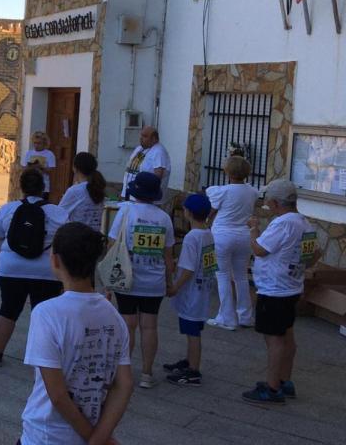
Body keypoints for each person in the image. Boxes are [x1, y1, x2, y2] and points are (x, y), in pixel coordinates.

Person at [19, 222, 133, 445]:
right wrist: (100, 438)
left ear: (55, 260)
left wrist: (94, 439)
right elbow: (124, 384)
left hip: (45, 435)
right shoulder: (114, 317)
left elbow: (58, 395)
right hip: (90, 431)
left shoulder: (47, 313)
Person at [241, 179, 314, 404]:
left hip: (275, 289)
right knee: (286, 335)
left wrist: (253, 230)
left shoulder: (283, 223)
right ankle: (284, 380)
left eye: (268, 201)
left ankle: (272, 388)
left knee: (274, 339)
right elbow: (314, 254)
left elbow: (260, 249)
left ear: (275, 202)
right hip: (291, 286)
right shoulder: (305, 223)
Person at [0, 169, 68, 368]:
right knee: (43, 313)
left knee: (8, 310)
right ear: (43, 188)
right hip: (46, 271)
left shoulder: (8, 208)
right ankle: (43, 357)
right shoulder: (58, 212)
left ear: (21, 187)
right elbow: (66, 240)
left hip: (11, 269)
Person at [107, 172, 174, 389]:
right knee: (150, 326)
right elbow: (168, 255)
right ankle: (146, 373)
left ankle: (123, 372)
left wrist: (109, 282)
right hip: (154, 281)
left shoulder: (126, 210)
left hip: (127, 277)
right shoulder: (164, 217)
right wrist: (169, 281)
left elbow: (112, 244)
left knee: (128, 325)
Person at [164, 194, 215, 387]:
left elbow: (189, 268)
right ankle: (189, 360)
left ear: (189, 213)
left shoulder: (192, 237)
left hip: (192, 291)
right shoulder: (208, 233)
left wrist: (175, 287)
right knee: (192, 329)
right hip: (202, 290)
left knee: (192, 331)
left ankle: (193, 370)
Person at [205, 156, 260, 330]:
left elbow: (211, 211)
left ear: (227, 171)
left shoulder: (221, 191)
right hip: (244, 235)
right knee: (241, 276)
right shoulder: (252, 191)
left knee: (222, 276)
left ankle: (227, 317)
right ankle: (245, 316)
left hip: (222, 234)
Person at [58, 152, 107, 230]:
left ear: (74, 168)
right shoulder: (98, 187)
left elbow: (59, 215)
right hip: (95, 236)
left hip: (77, 236)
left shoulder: (75, 191)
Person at [121, 126, 171, 202]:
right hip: (130, 195)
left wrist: (147, 198)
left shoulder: (159, 152)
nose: (141, 138)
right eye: (141, 135)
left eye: (145, 136)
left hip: (144, 200)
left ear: (154, 139)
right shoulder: (139, 148)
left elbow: (157, 177)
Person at [21, 131, 56, 202]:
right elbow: (24, 168)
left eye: (39, 143)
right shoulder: (29, 153)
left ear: (44, 143)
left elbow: (52, 170)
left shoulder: (49, 154)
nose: (36, 145)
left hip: (43, 186)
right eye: (35, 143)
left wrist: (41, 167)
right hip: (29, 186)